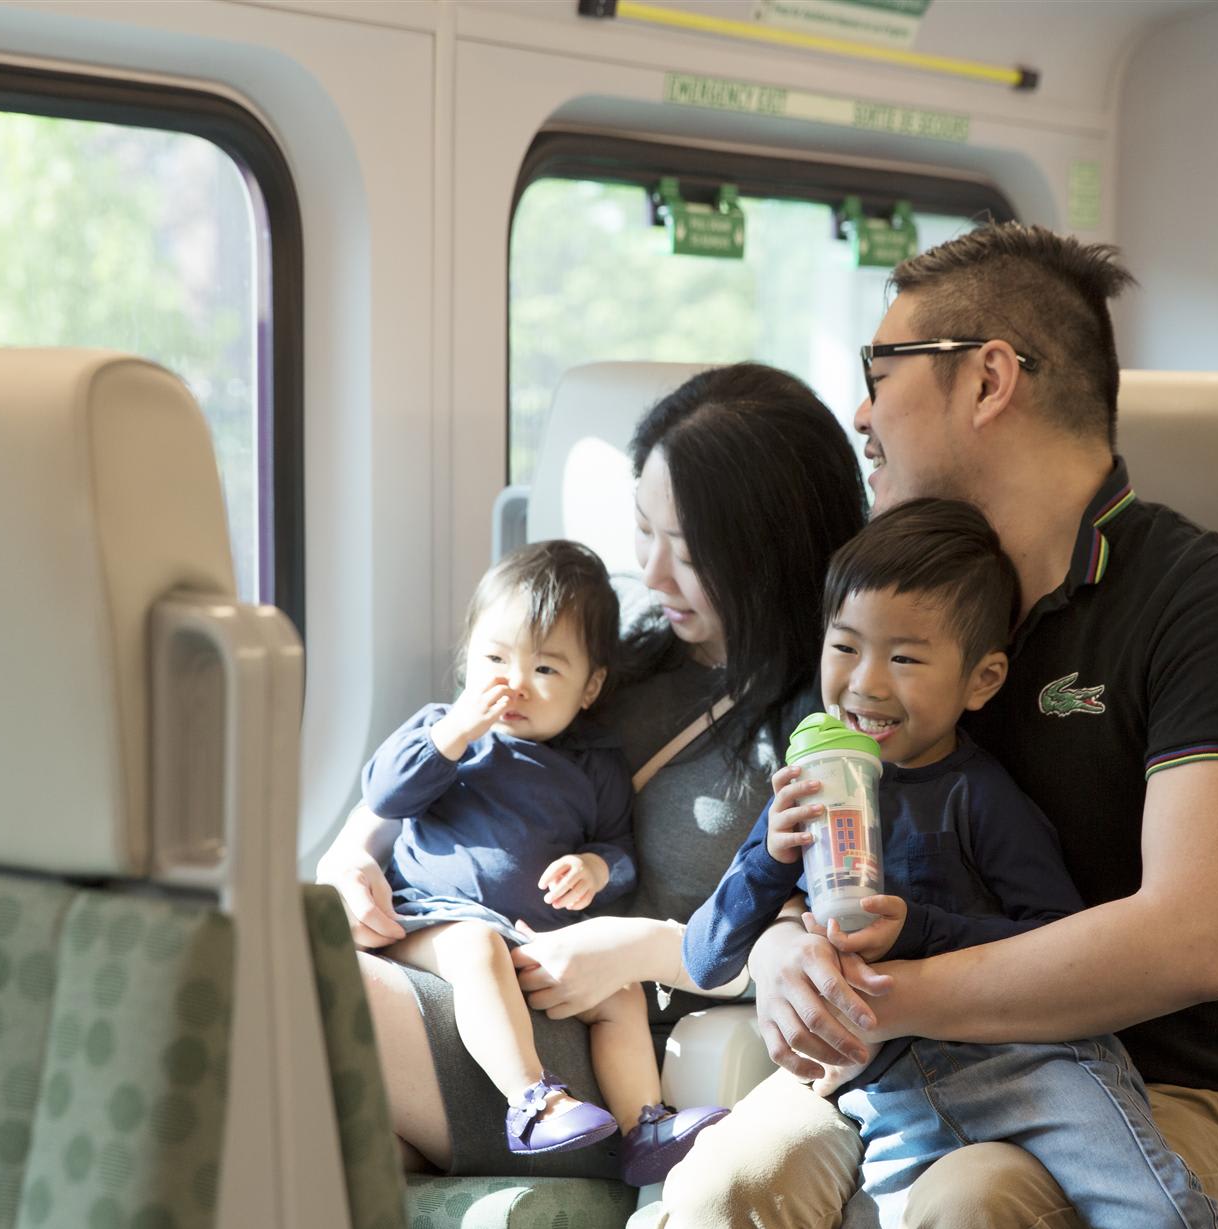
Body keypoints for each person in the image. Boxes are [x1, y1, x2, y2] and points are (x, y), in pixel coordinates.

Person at [645, 223, 1218, 1229]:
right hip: (905, 1057)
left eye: (880, 373)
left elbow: (1189, 941)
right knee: (722, 1188)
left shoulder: (1210, 606)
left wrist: (882, 997)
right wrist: (779, 956)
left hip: (1176, 1094)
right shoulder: (895, 601)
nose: (859, 413)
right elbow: (811, 849)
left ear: (988, 378)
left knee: (971, 1209)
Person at [683, 498, 1218, 1229]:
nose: (864, 684)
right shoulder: (807, 800)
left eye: (904, 658)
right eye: (844, 647)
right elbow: (704, 958)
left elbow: (1052, 942)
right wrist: (768, 859)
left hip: (1035, 1065)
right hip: (891, 1091)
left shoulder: (980, 796)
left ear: (982, 681)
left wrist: (917, 935)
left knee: (1157, 1214)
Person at [318, 362, 868, 1185]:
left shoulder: (820, 720)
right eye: (644, 533)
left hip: (594, 1045)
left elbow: (820, 953)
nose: (650, 575)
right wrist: (346, 855)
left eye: (687, 552)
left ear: (767, 550)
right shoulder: (620, 653)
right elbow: (457, 762)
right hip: (468, 964)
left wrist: (635, 949)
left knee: (282, 978)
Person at [360, 538, 727, 1181]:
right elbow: (386, 794)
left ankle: (647, 1124)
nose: (513, 684)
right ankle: (531, 1101)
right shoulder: (448, 734)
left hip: (533, 943)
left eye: (546, 670)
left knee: (621, 995)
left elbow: (620, 850)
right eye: (494, 658)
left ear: (590, 689)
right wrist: (451, 737)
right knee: (476, 948)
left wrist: (595, 867)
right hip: (431, 920)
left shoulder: (593, 767)